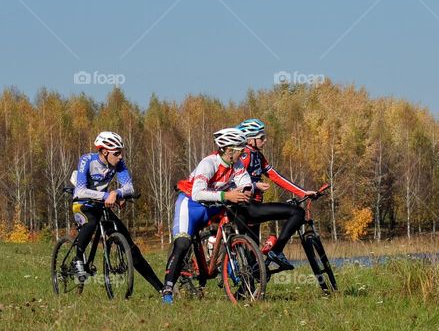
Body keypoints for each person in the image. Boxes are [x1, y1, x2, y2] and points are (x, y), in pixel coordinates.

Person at [160, 127, 252, 304]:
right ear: (229, 150)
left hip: (212, 205)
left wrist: (247, 190)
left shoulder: (236, 165)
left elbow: (245, 181)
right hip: (190, 205)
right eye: (240, 150)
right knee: (183, 243)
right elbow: (197, 194)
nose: (243, 154)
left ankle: (231, 267)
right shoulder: (208, 163)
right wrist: (227, 195)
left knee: (233, 222)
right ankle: (167, 289)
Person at [72, 131, 163, 293]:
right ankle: (78, 259)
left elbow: (129, 187)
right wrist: (108, 195)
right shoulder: (87, 160)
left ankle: (162, 290)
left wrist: (117, 193)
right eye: (117, 153)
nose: (120, 156)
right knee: (91, 222)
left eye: (121, 152)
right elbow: (80, 190)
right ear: (105, 151)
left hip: (102, 206)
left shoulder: (118, 164)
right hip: (82, 205)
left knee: (131, 249)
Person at [234, 118, 319, 272]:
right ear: (250, 139)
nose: (264, 140)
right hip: (246, 207)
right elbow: (233, 182)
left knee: (253, 260)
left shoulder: (257, 156)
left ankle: (244, 292)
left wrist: (302, 192)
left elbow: (275, 176)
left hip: (255, 207)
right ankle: (277, 250)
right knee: (297, 213)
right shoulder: (245, 155)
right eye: (261, 137)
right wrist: (254, 185)